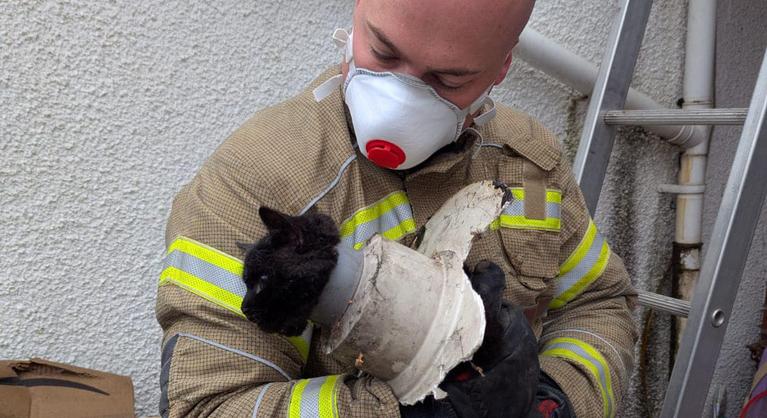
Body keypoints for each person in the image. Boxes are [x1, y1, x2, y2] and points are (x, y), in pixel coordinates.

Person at [155, 0, 637, 417]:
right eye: (383, 52)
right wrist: (401, 410)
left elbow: (600, 303)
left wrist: (556, 400)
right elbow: (211, 405)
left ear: (501, 70)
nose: (399, 100)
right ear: (358, 11)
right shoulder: (259, 184)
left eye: (448, 79)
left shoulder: (527, 165)